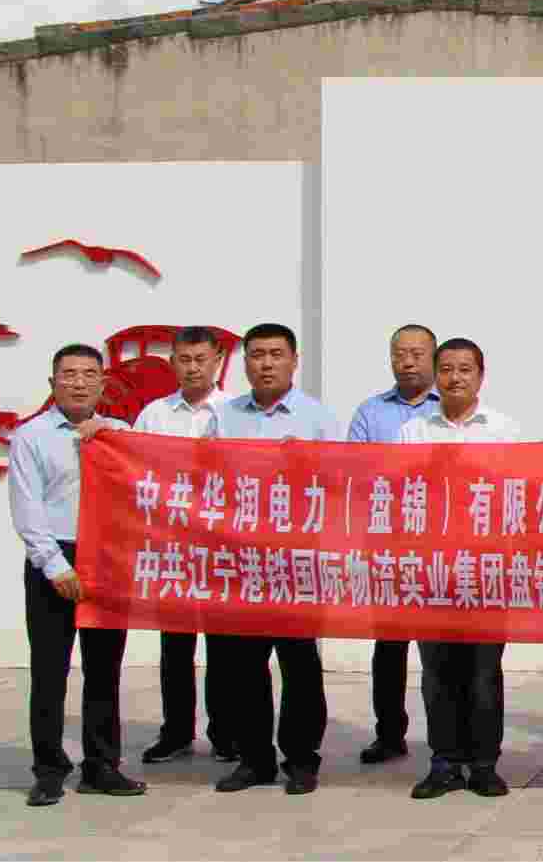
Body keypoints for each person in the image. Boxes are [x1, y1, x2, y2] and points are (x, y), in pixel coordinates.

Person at [211, 323, 347, 796]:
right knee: (244, 667)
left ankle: (302, 759)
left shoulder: (317, 419)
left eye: (275, 354)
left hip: (297, 562)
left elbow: (336, 486)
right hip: (243, 560)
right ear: (245, 362)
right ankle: (254, 759)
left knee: (299, 664)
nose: (266, 363)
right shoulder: (224, 418)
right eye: (256, 355)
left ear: (293, 361)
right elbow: (207, 480)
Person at [11, 343, 145, 807]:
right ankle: (49, 770)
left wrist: (107, 434)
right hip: (54, 560)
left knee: (104, 670)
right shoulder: (30, 436)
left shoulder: (121, 433)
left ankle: (102, 766)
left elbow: (144, 486)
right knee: (49, 672)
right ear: (53, 383)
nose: (79, 383)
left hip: (107, 557)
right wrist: (55, 565)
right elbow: (27, 507)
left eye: (89, 374)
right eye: (69, 374)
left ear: (104, 383)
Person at [398, 338, 520, 800]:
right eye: (446, 369)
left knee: (484, 672)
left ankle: (485, 764)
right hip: (432, 570)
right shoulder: (413, 432)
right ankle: (445, 762)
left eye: (465, 369)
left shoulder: (504, 430)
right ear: (436, 375)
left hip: (487, 570)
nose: (455, 377)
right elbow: (400, 494)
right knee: (437, 673)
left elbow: (517, 497)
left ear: (480, 376)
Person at [129, 326, 230, 766]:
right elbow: (131, 467)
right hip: (171, 545)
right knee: (175, 646)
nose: (193, 368)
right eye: (184, 360)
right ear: (172, 363)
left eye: (201, 359)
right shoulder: (154, 414)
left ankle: (225, 733)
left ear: (217, 361)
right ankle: (176, 732)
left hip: (222, 545)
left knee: (223, 646)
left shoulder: (234, 411)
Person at [348, 323, 442, 766]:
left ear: (433, 357)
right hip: (387, 544)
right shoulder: (370, 412)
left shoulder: (450, 408)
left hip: (440, 546)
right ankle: (389, 734)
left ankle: (447, 739)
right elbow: (355, 473)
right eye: (399, 354)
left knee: (439, 648)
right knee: (388, 646)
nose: (407, 362)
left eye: (417, 354)